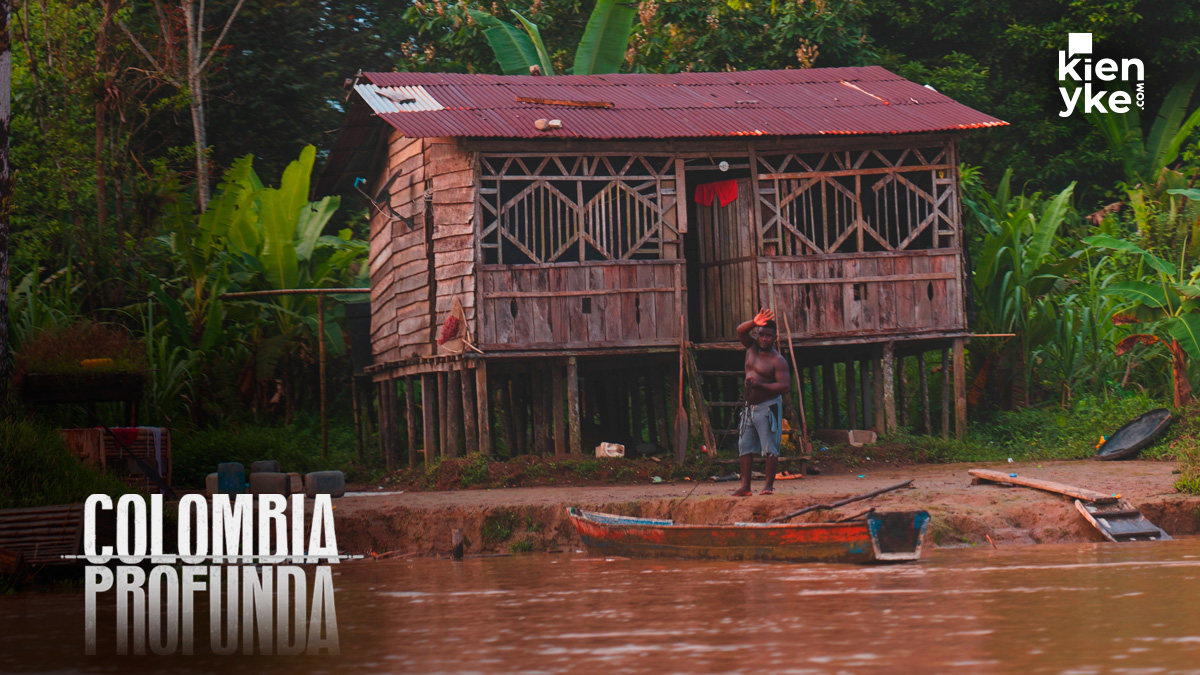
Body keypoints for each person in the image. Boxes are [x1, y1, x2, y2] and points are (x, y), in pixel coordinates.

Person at [732, 308, 790, 496]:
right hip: (749, 408)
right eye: (761, 334)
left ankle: (768, 486)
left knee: (770, 447)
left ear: (775, 337)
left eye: (768, 336)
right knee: (745, 446)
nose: (764, 339)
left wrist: (760, 386)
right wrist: (753, 322)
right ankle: (745, 487)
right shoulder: (751, 347)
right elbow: (740, 331)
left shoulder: (777, 360)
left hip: (769, 406)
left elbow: (784, 386)